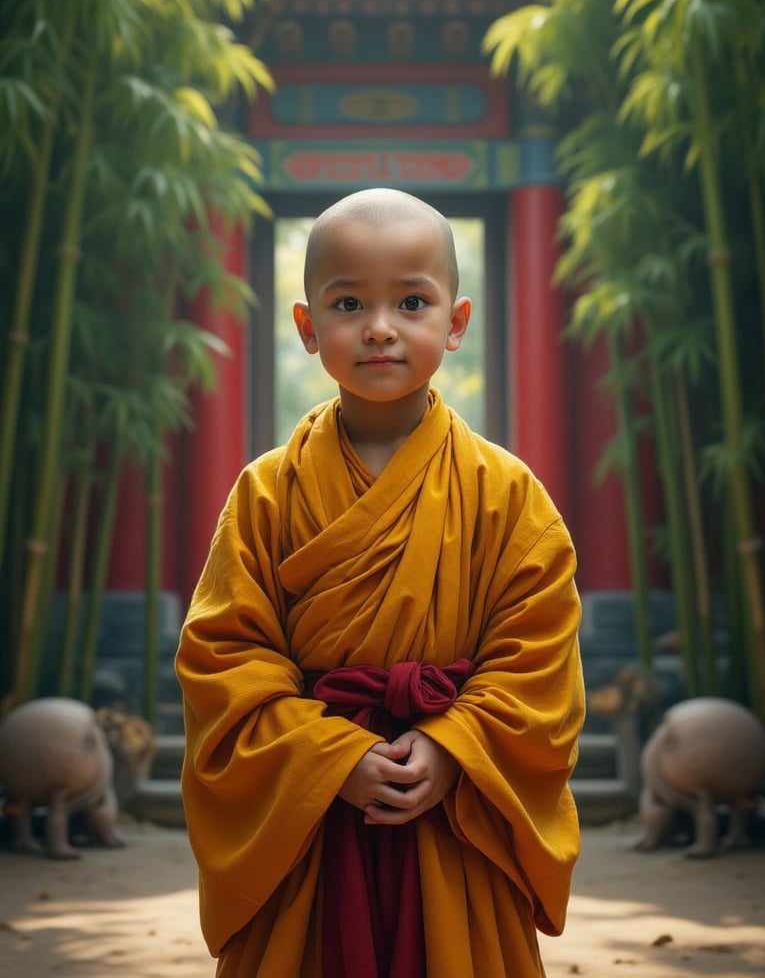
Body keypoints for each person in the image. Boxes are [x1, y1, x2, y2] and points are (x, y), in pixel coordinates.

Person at [175, 187, 585, 978]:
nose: (380, 327)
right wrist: (333, 758)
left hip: (454, 819)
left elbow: (538, 658)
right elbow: (223, 656)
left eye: (412, 301)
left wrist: (452, 746)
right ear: (306, 327)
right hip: (314, 820)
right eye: (349, 302)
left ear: (457, 323)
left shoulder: (506, 493)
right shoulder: (267, 493)